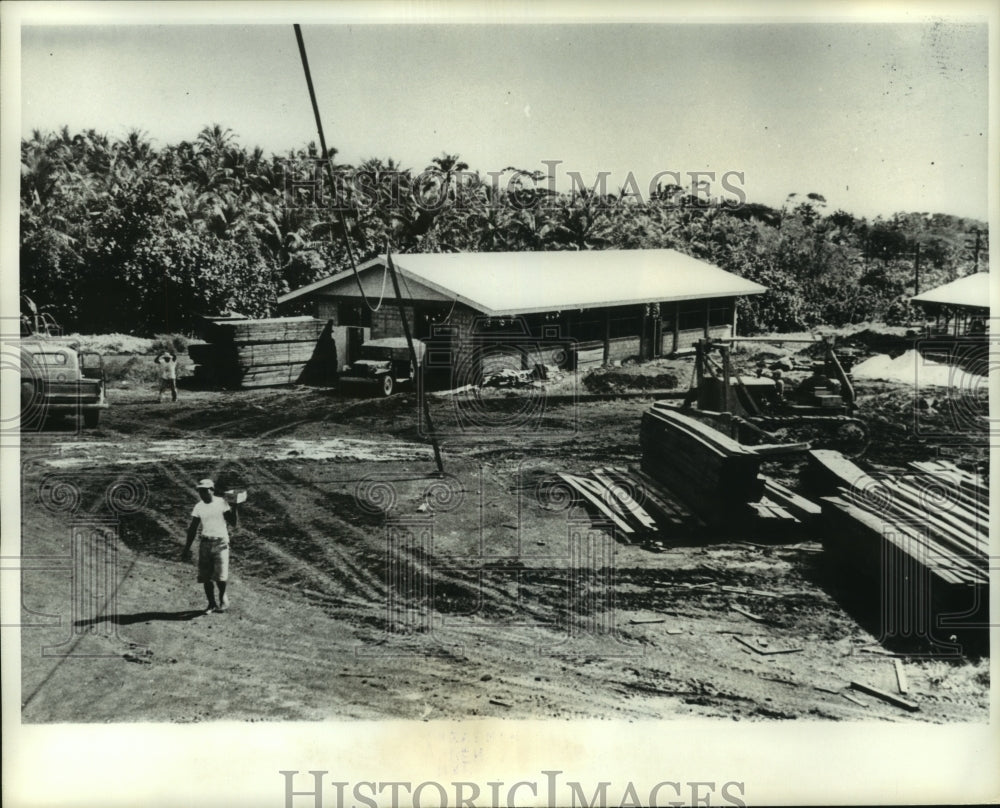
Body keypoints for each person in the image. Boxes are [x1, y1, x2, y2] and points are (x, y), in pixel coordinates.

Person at [182, 479, 239, 613]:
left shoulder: (221, 503)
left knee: (220, 575)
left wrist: (235, 506)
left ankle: (222, 597)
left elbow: (233, 522)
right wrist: (186, 548)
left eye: (205, 490)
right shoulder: (199, 506)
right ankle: (211, 604)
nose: (202, 493)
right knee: (206, 576)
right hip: (205, 542)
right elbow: (193, 528)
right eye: (200, 491)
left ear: (212, 490)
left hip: (221, 542)